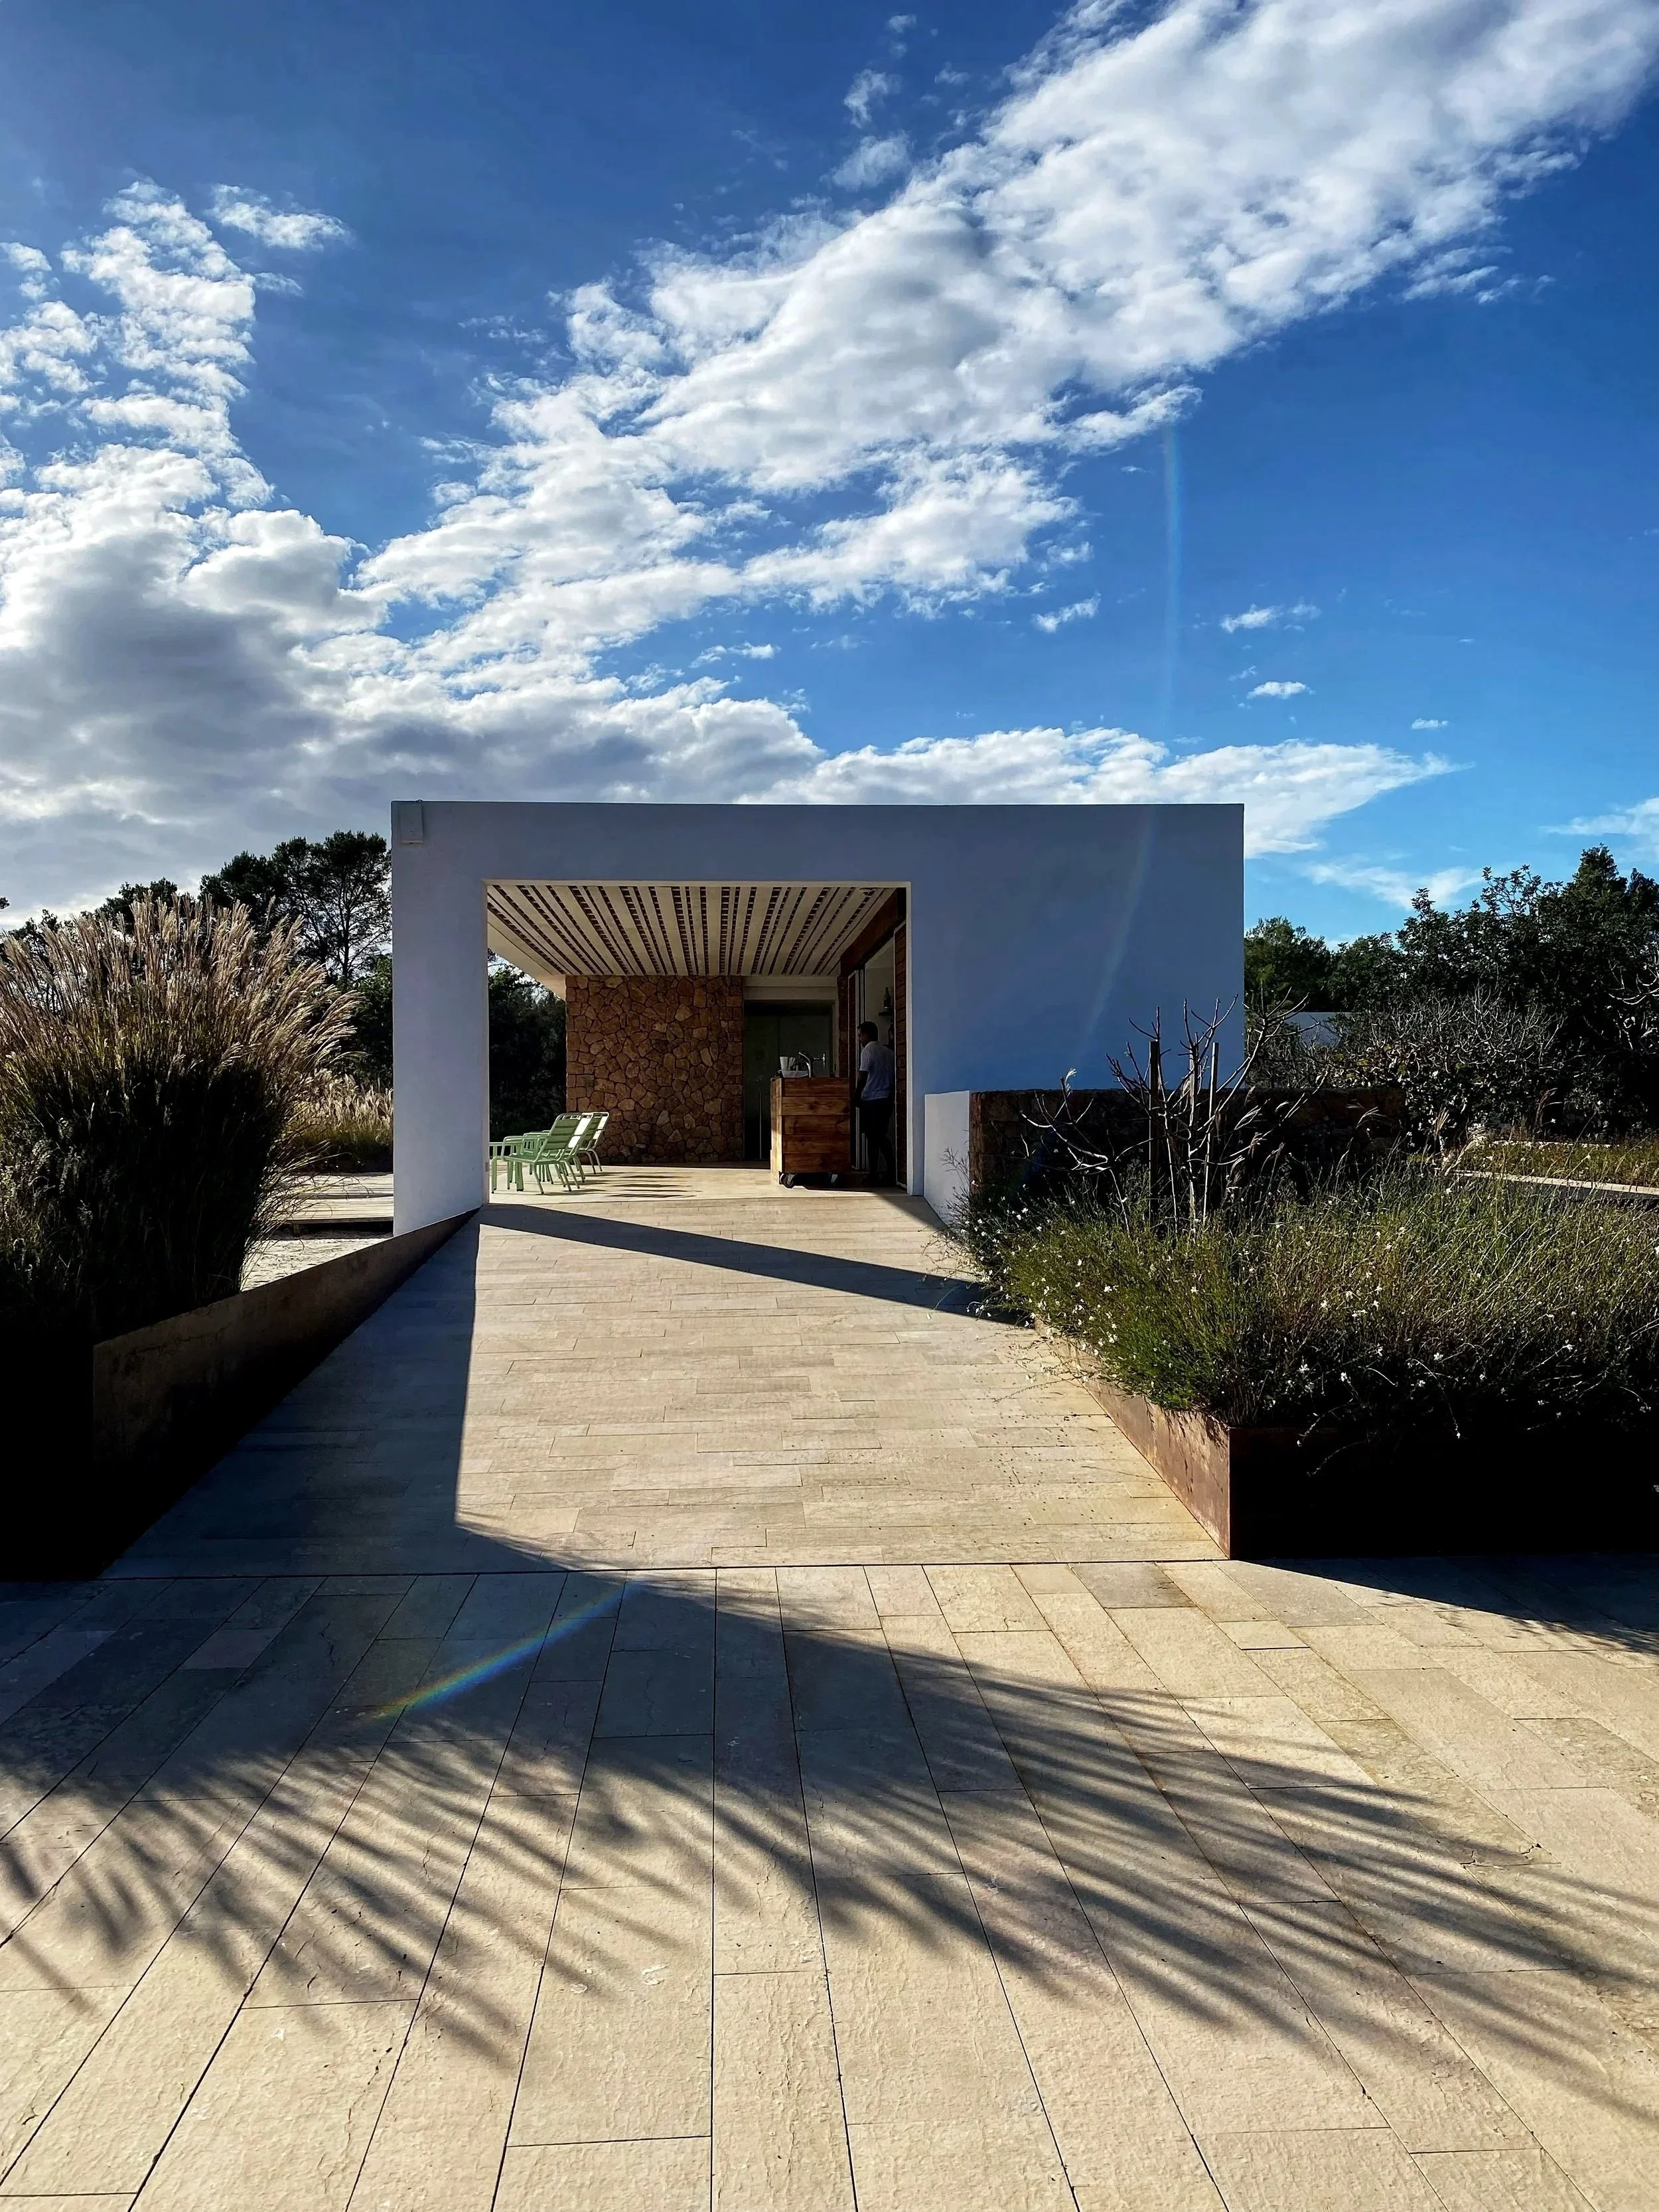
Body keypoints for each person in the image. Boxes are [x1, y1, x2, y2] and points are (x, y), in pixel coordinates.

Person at [854, 1018, 896, 1183]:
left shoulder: (867, 1052)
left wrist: (856, 1097)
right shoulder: (889, 1052)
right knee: (882, 1136)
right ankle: (891, 1170)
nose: (859, 1040)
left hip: (871, 1100)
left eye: (860, 1036)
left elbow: (862, 1077)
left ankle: (873, 1173)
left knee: (872, 1138)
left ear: (867, 1035)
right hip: (886, 1100)